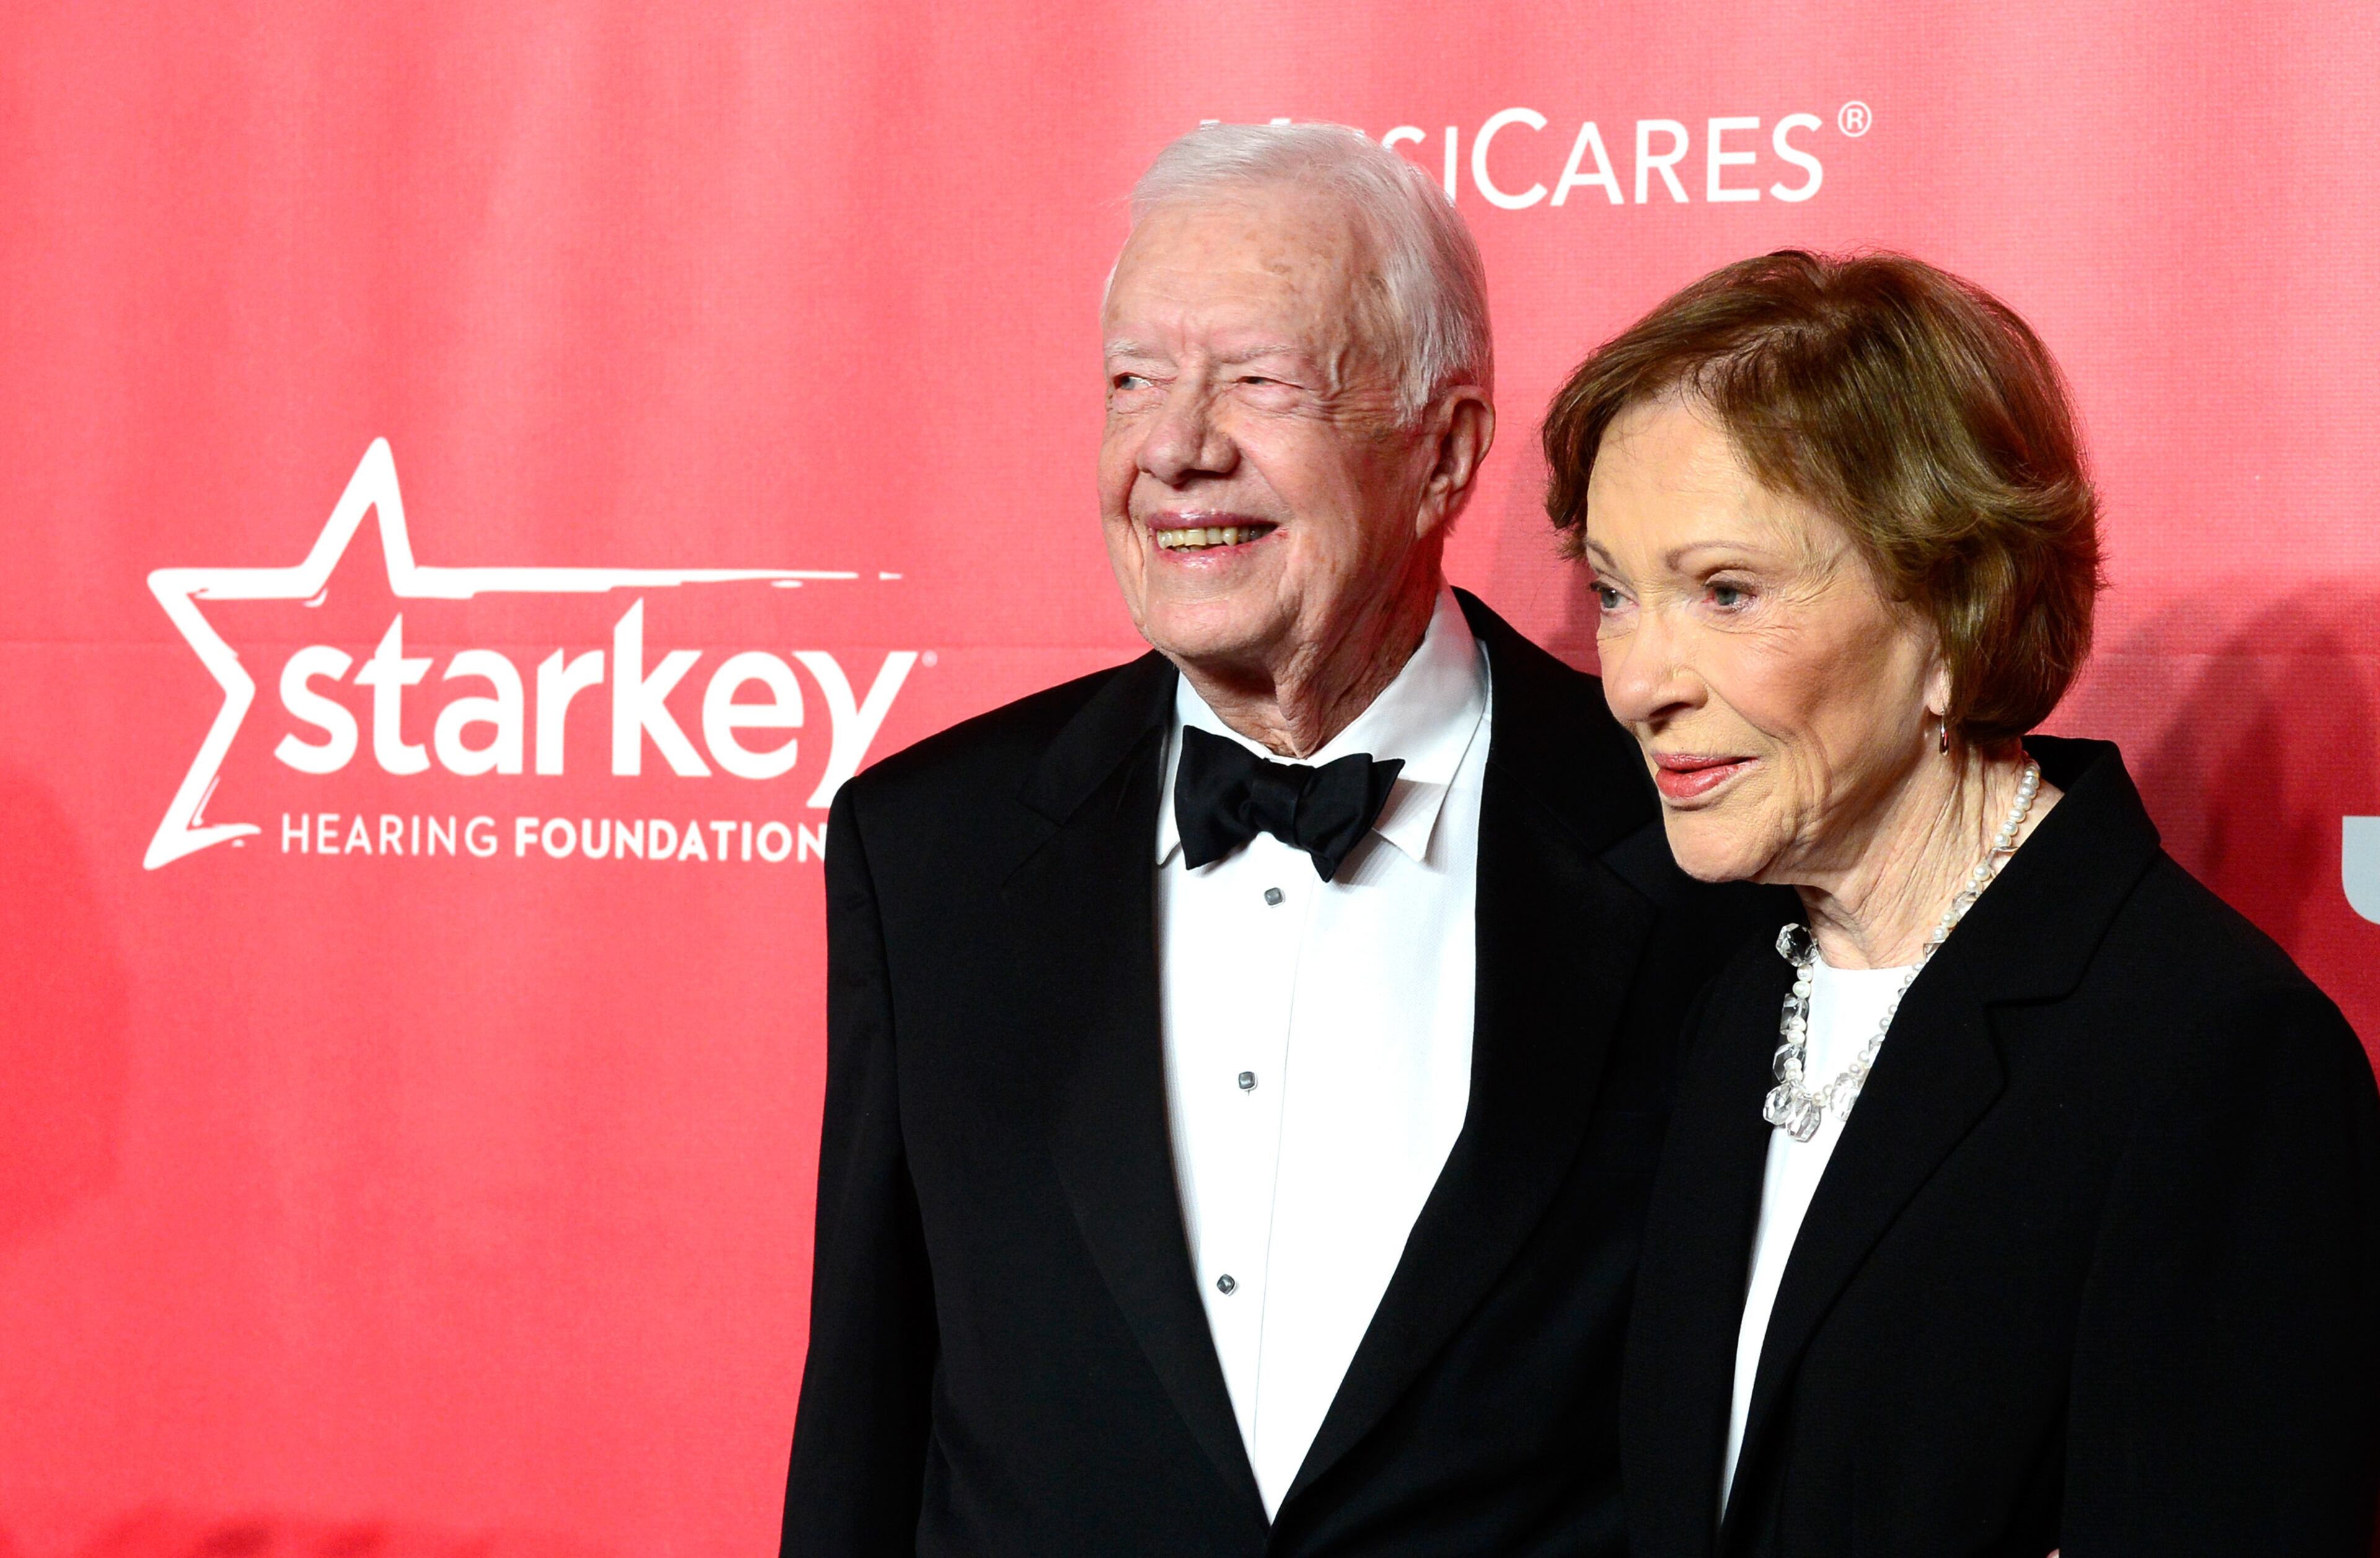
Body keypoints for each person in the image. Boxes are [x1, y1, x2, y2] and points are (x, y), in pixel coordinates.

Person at [780, 123, 1781, 1556]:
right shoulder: (929, 849)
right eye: (1135, 381)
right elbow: (866, 1416)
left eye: (1258, 381)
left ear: (1444, 453)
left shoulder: (1698, 836)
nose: (1176, 448)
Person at [1543, 249, 2380, 1556]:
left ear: (1952, 607)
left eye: (1726, 592)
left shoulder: (2211, 1056)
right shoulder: (1734, 997)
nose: (1640, 681)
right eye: (1613, 594)